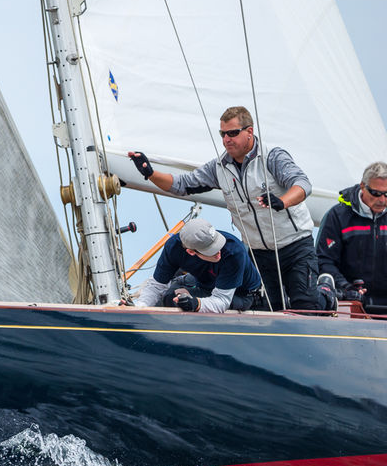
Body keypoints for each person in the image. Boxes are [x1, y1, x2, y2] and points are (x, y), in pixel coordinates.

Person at [128, 106, 321, 311]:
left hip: (295, 246)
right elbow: (182, 184)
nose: (226, 139)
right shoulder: (219, 167)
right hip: (259, 253)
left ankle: (326, 294)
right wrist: (150, 174)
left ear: (249, 131)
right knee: (271, 309)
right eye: (223, 134)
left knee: (305, 305)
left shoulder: (272, 157)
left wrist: (282, 201)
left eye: (233, 133)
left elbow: (302, 184)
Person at [127, 217, 263, 312]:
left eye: (217, 245)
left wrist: (195, 303)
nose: (218, 253)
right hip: (204, 283)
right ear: (191, 252)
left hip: (240, 294)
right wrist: (139, 307)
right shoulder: (173, 248)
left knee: (178, 302)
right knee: (170, 295)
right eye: (211, 250)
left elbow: (221, 300)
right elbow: (157, 285)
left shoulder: (233, 252)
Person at [315, 161, 387, 314]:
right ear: (362, 186)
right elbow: (324, 260)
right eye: (376, 193)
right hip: (349, 305)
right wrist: (346, 287)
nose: (382, 200)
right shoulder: (337, 216)